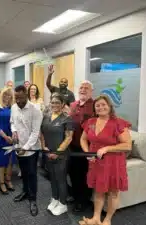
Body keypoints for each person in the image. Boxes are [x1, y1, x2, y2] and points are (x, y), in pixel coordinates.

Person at [79, 95, 132, 225]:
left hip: (113, 163)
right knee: (98, 190)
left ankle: (107, 220)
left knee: (113, 192)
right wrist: (87, 152)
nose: (101, 107)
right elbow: (83, 139)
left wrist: (107, 148)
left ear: (109, 106)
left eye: (103, 104)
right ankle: (96, 218)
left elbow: (127, 145)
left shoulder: (118, 123)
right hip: (96, 162)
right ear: (94, 109)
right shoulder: (90, 122)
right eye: (97, 105)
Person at [11, 85, 43, 216]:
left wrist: (25, 148)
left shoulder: (35, 110)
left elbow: (36, 133)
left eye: (21, 98)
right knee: (23, 172)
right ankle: (25, 191)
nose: (18, 101)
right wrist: (13, 131)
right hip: (19, 146)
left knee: (31, 174)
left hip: (31, 149)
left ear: (27, 95)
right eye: (16, 98)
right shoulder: (14, 107)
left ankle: (33, 199)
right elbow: (12, 122)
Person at [40, 93, 74, 216]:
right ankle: (55, 198)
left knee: (61, 179)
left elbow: (69, 138)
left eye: (57, 103)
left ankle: (63, 203)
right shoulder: (46, 116)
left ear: (62, 104)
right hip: (48, 153)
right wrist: (44, 147)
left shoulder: (67, 119)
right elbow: (42, 133)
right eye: (52, 102)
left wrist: (57, 152)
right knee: (52, 178)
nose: (54, 105)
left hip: (61, 155)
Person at [69, 80, 94, 212]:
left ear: (91, 91)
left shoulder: (95, 105)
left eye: (86, 88)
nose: (83, 90)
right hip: (72, 146)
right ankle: (75, 195)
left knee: (84, 175)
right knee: (73, 172)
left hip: (87, 148)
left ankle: (83, 201)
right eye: (81, 87)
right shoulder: (73, 104)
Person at [0, 87, 16, 195]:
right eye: (5, 95)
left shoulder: (13, 107)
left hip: (12, 137)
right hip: (0, 137)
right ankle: (1, 183)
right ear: (2, 95)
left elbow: (16, 122)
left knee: (10, 160)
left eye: (9, 95)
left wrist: (14, 136)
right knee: (1, 162)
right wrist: (6, 137)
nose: (7, 97)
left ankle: (8, 180)